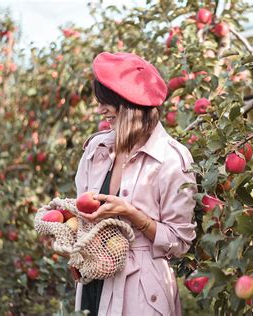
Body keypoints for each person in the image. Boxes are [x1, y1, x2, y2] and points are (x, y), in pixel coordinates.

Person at [73, 52, 197, 315]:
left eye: (107, 102)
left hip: (140, 293)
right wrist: (66, 233)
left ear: (129, 104)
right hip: (95, 279)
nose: (100, 110)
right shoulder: (97, 148)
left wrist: (131, 214)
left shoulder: (171, 160)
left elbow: (180, 241)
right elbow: (81, 215)